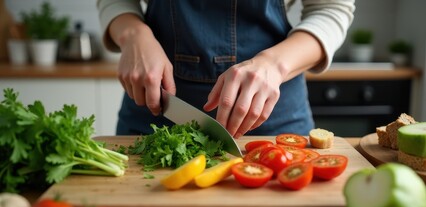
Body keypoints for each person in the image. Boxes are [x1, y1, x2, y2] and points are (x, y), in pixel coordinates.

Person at [96, 0, 355, 138]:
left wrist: (274, 65)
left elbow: (331, 8)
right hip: (153, 118)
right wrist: (133, 35)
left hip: (272, 124)